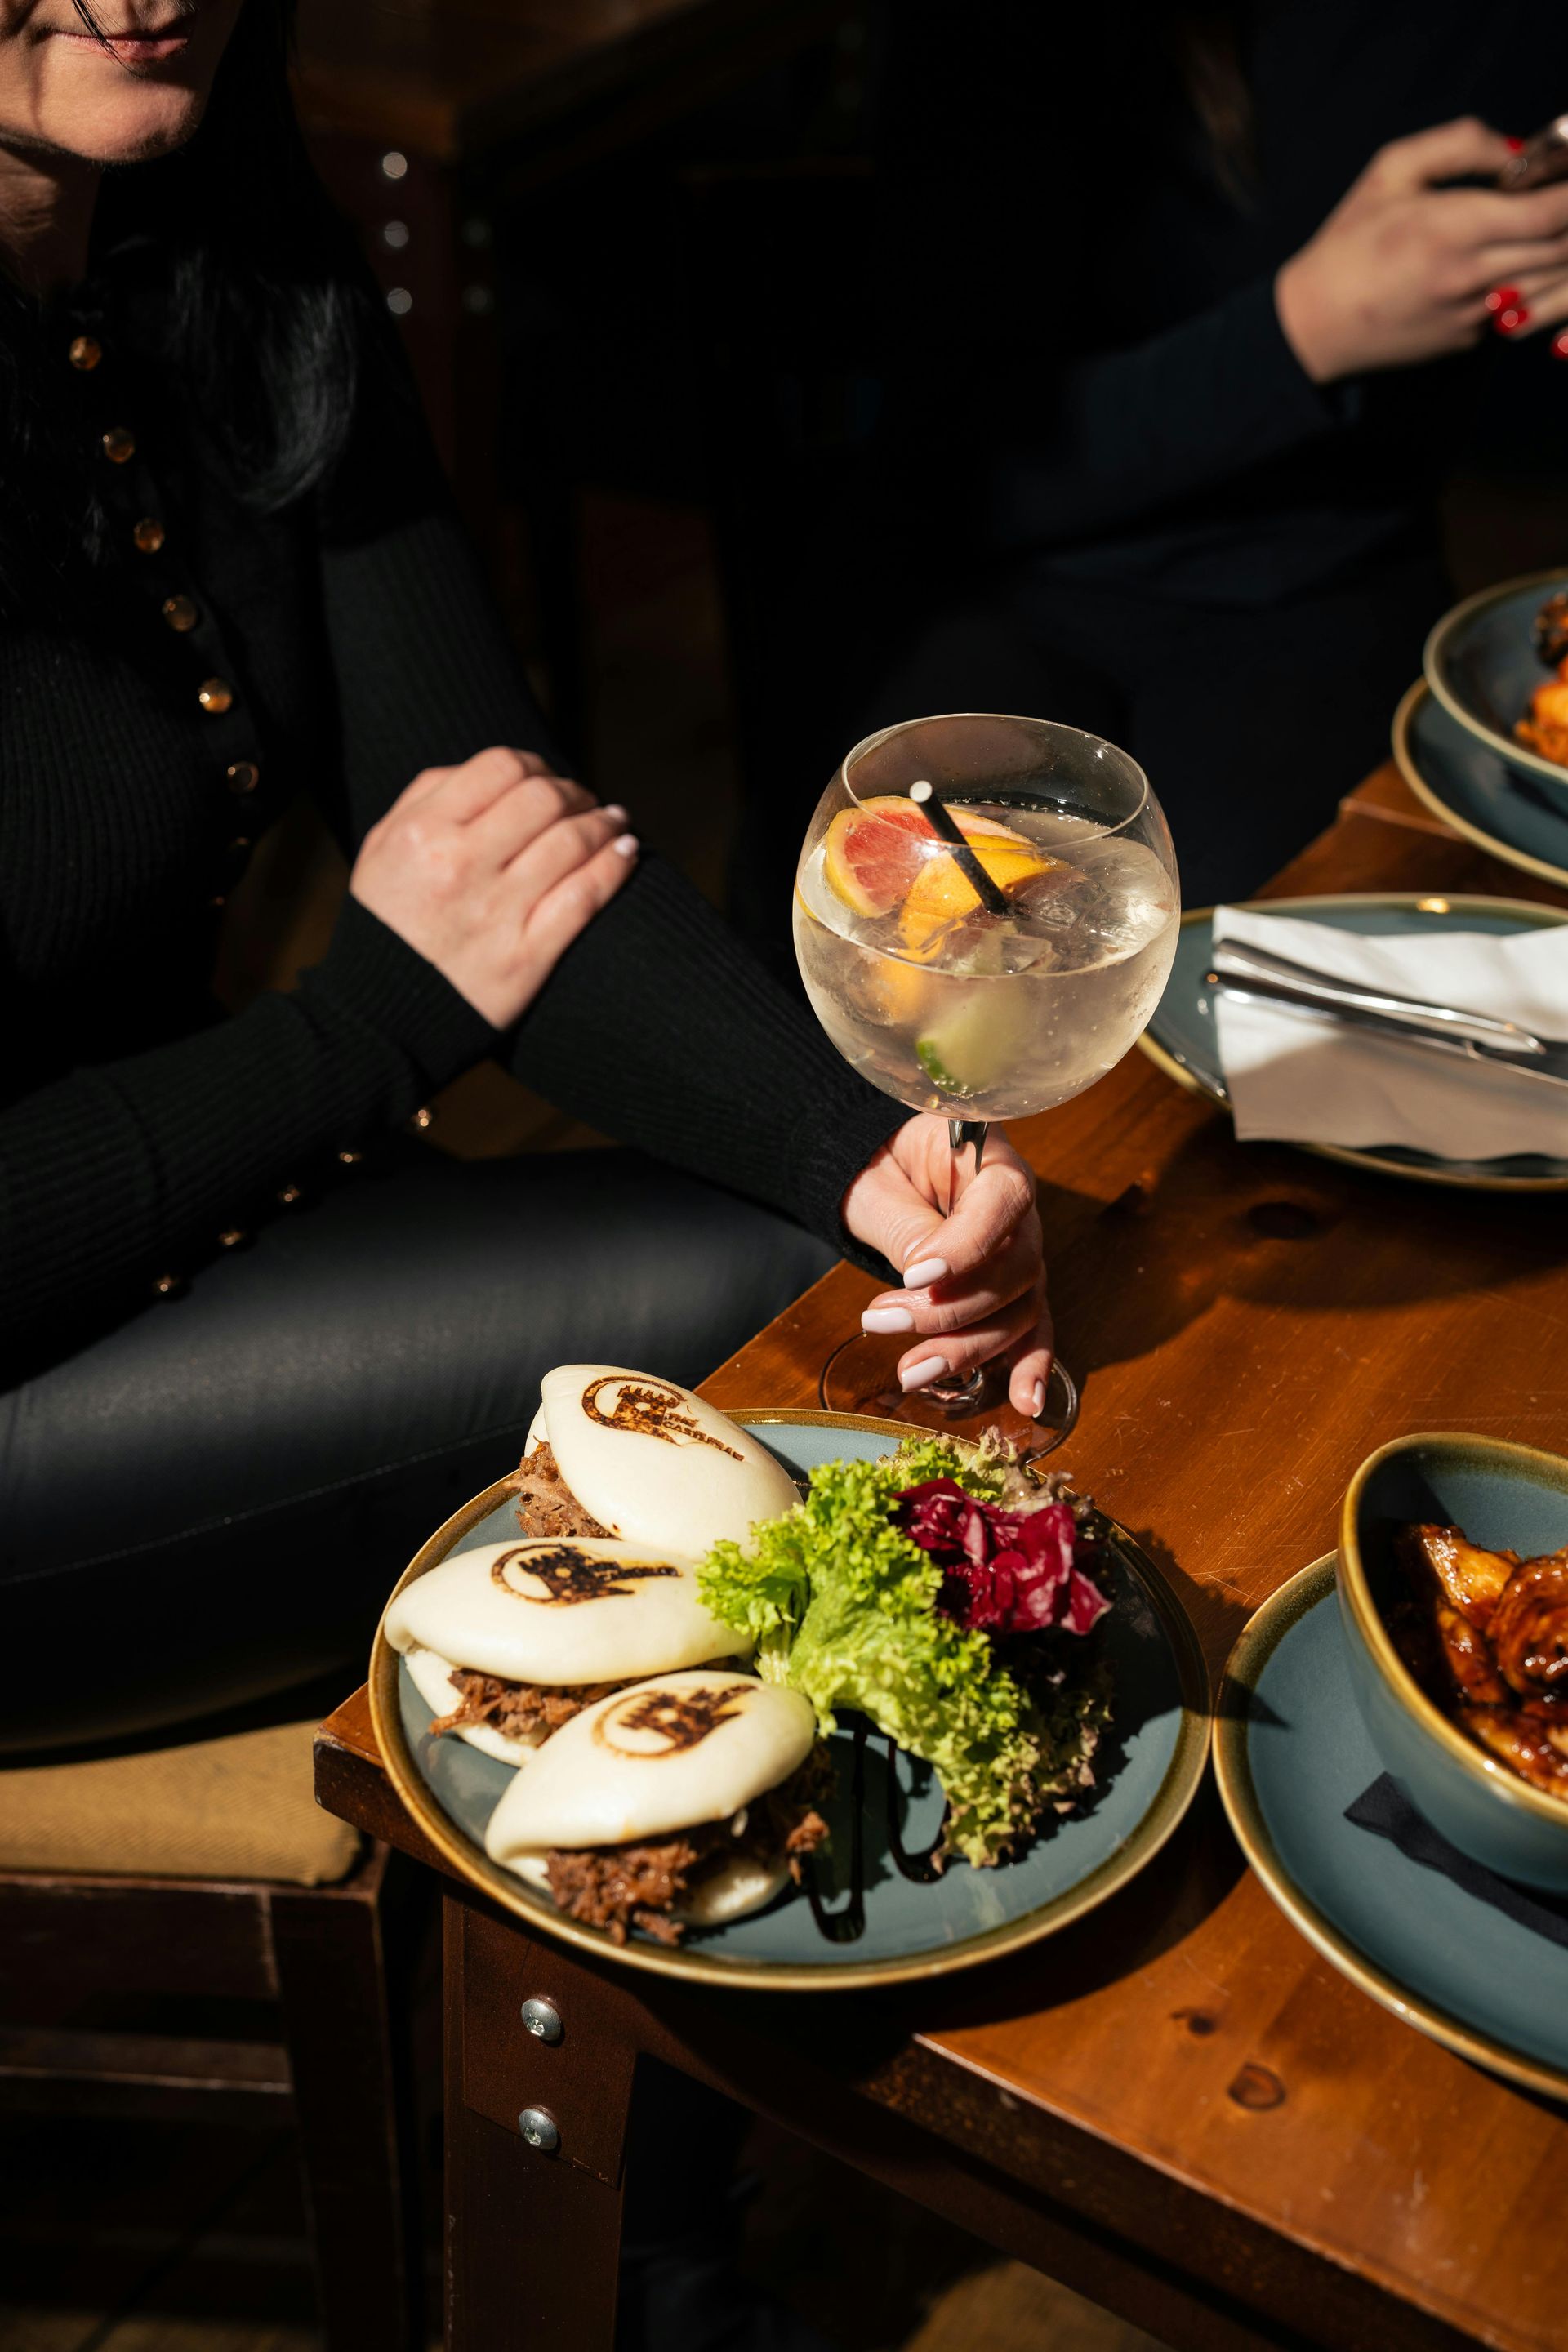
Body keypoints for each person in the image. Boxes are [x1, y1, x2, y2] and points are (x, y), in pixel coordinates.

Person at [0, 0, 1052, 1757]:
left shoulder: (232, 251)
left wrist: (865, 1149)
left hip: (181, 1208)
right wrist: (368, 1026)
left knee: (844, 1276)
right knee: (787, 1357)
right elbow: (432, 966)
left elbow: (501, 843)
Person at [730, 1, 1568, 955]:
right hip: (988, 569)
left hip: (1330, 588)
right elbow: (960, 455)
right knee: (907, 960)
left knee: (1280, 1009)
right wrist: (1305, 328)